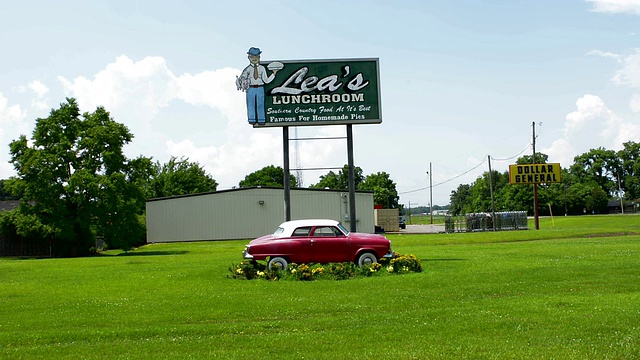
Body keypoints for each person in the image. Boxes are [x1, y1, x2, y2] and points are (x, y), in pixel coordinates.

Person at [236, 47, 279, 125]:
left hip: (260, 87)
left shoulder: (262, 68)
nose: (255, 59)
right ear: (249, 57)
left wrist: (274, 74)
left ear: (259, 57)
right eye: (252, 57)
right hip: (251, 88)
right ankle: (252, 119)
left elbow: (266, 80)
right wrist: (243, 81)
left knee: (260, 104)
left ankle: (261, 119)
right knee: (251, 104)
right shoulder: (248, 69)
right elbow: (243, 77)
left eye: (257, 57)